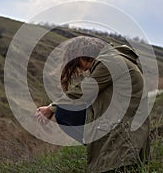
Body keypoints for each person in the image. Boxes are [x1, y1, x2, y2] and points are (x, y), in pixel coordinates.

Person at [35, 36, 150, 173]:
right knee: (65, 111)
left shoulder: (111, 62)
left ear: (84, 56)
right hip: (125, 124)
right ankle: (93, 141)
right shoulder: (114, 59)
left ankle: (93, 141)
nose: (82, 70)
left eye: (78, 64)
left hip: (125, 130)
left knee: (63, 112)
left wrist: (51, 108)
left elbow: (83, 92)